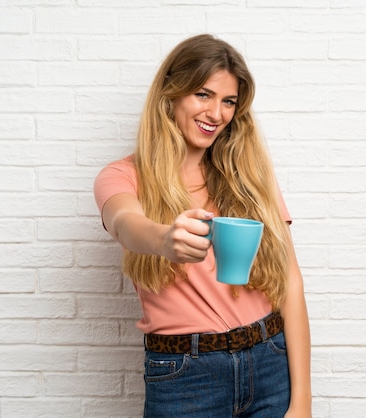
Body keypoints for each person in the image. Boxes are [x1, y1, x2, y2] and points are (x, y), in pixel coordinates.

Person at [94, 33, 311, 417]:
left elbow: (290, 280)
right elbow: (125, 222)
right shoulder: (122, 176)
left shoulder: (249, 175)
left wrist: (302, 402)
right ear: (172, 94)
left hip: (270, 363)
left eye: (228, 101)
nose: (217, 114)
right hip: (184, 378)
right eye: (203, 95)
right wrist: (164, 239)